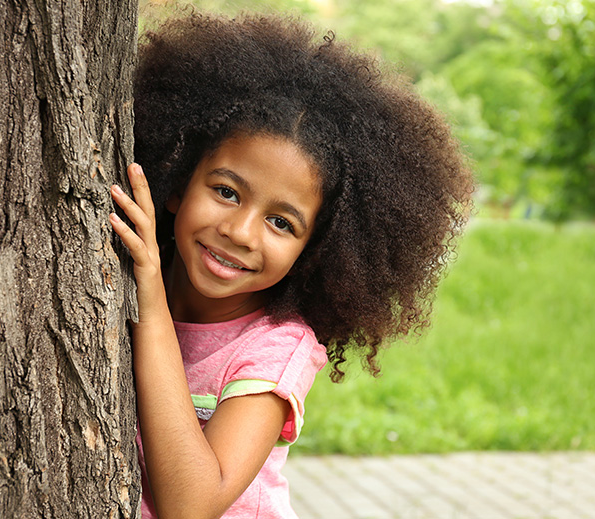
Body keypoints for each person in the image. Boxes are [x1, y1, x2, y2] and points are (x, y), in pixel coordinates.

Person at [109, 11, 474, 519]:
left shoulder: (275, 350)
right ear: (177, 180)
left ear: (316, 250)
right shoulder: (131, 269)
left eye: (282, 223)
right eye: (226, 191)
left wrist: (149, 304)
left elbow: (191, 505)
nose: (239, 232)